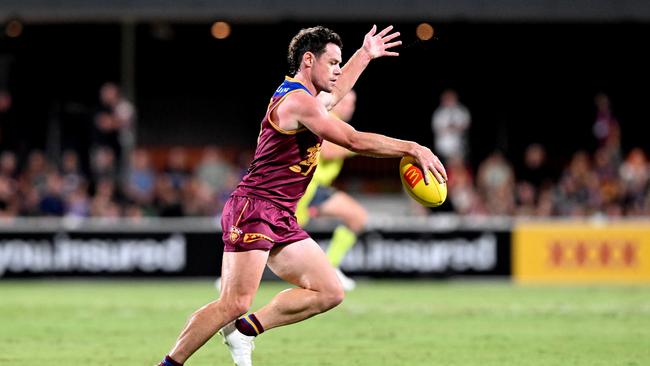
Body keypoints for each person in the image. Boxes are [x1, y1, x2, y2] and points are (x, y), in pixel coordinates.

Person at [157, 25, 446, 366]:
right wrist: (412, 147)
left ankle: (245, 331)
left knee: (329, 291)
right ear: (309, 60)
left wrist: (364, 55)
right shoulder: (296, 101)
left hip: (280, 213)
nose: (338, 70)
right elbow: (351, 139)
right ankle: (169, 364)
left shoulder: (307, 99)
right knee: (233, 302)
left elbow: (333, 96)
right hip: (255, 208)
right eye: (333, 62)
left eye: (341, 63)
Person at [295, 89, 366, 291]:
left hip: (319, 188)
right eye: (345, 102)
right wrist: (360, 145)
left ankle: (331, 267)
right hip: (302, 186)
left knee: (356, 216)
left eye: (352, 103)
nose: (349, 107)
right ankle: (232, 275)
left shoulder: (341, 125)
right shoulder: (323, 118)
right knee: (276, 235)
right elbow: (329, 151)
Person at [431, 89, 471, 163]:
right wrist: (448, 128)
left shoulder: (461, 111)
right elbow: (436, 128)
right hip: (444, 147)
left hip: (459, 146)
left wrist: (456, 127)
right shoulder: (439, 113)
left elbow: (466, 125)